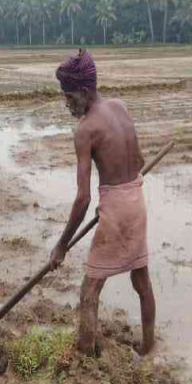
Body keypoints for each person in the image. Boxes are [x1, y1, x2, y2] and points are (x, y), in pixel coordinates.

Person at [48, 49, 156, 356]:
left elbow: (82, 199)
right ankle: (149, 349)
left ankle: (84, 355)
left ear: (83, 92)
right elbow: (139, 160)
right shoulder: (119, 106)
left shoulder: (85, 131)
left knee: (90, 289)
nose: (66, 104)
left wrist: (61, 246)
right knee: (142, 281)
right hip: (136, 199)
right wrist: (113, 196)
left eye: (69, 98)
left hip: (118, 210)